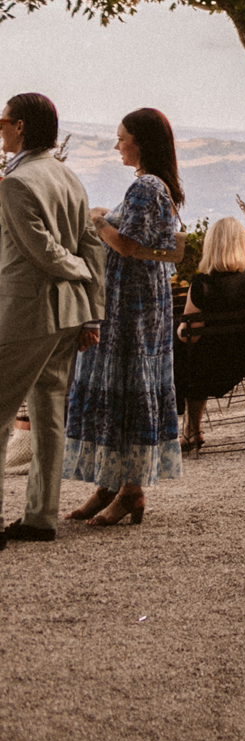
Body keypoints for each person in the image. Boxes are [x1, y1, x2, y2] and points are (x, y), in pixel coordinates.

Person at [64, 107, 186, 527]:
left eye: (122, 138)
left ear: (141, 142)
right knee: (120, 390)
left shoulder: (146, 186)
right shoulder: (153, 185)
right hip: (134, 304)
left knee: (128, 390)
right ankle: (110, 484)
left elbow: (128, 245)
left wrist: (97, 220)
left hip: (131, 310)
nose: (117, 145)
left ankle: (131, 490)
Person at [0, 93, 105, 548]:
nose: (0, 129)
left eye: (2, 121)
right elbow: (92, 246)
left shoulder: (16, 182)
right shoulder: (68, 176)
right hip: (69, 314)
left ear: (21, 126)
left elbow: (41, 251)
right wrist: (92, 312)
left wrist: (77, 270)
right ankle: (40, 518)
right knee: (49, 416)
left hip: (29, 312)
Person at [173, 217, 245, 450]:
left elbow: (190, 336)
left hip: (206, 366)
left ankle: (191, 430)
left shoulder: (203, 284)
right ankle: (192, 432)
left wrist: (176, 327)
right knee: (195, 358)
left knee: (183, 352)